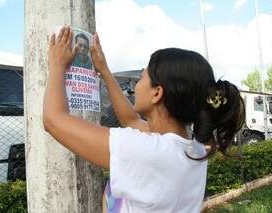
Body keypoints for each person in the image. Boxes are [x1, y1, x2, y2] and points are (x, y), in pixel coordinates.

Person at [44, 26, 245, 213]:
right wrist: (104, 71)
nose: (136, 87)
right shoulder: (193, 149)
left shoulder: (147, 151)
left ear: (157, 93)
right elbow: (131, 121)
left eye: (141, 78)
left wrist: (57, 65)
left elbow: (53, 120)